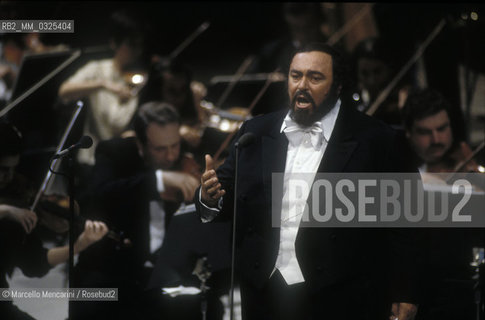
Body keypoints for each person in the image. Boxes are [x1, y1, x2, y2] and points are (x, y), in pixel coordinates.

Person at [197, 43, 420, 320]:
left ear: (337, 85)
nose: (302, 85)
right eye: (295, 75)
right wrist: (209, 197)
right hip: (264, 289)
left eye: (315, 77)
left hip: (341, 294)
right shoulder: (255, 132)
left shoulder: (379, 140)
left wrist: (404, 293)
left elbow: (404, 226)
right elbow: (224, 196)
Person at [72, 102, 200, 320]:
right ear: (140, 144)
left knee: (200, 302)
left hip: (166, 273)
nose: (170, 156)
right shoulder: (114, 152)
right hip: (118, 269)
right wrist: (158, 180)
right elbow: (95, 195)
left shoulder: (186, 159)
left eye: (175, 146)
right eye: (159, 149)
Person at [0, 121, 108, 320]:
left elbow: (35, 264)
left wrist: (77, 246)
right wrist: (6, 210)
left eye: (13, 169)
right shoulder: (12, 211)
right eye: (2, 169)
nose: (9, 177)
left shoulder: (18, 203)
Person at [58, 11, 146, 167]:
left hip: (123, 159)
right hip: (93, 158)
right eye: (131, 45)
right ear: (115, 43)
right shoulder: (97, 69)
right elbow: (64, 91)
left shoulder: (139, 78)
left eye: (139, 45)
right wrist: (102, 84)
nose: (136, 51)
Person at [401, 88, 478, 173]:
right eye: (425, 132)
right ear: (408, 132)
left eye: (441, 129)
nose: (436, 140)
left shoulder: (461, 152)